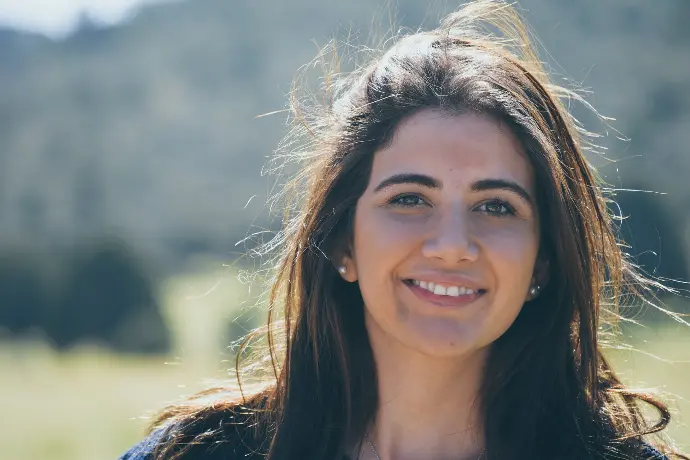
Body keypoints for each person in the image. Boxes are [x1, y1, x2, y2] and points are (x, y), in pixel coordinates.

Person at [119, 1, 687, 459]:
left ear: (542, 262)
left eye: (496, 207)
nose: (451, 245)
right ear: (343, 242)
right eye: (410, 199)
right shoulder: (193, 455)